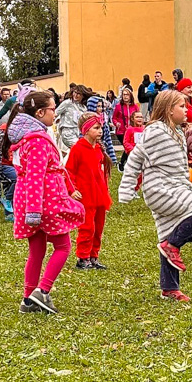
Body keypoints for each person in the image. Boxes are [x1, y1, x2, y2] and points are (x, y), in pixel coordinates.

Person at [118, 91, 192, 302]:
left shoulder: (176, 131)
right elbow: (135, 158)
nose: (186, 110)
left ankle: (169, 287)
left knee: (167, 232)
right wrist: (127, 188)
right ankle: (173, 245)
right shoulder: (156, 132)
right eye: (182, 107)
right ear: (169, 110)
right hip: (161, 188)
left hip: (175, 185)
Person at [5, 87, 84, 314]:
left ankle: (28, 299)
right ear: (39, 113)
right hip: (43, 203)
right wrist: (34, 211)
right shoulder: (38, 141)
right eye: (52, 109)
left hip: (32, 201)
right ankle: (42, 291)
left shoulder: (25, 138)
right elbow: (36, 177)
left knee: (37, 250)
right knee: (63, 246)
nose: (55, 114)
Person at [66, 112, 113, 270]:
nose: (100, 131)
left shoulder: (98, 148)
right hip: (85, 195)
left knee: (98, 227)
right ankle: (83, 257)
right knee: (87, 227)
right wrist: (72, 190)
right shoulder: (77, 149)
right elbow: (68, 172)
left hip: (99, 194)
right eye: (96, 128)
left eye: (101, 128)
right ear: (85, 130)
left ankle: (94, 256)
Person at [55, 84, 88, 157]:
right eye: (75, 92)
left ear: (83, 95)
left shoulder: (83, 107)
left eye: (78, 94)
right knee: (80, 150)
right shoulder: (67, 103)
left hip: (78, 133)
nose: (75, 95)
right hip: (67, 132)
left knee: (77, 153)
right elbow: (55, 113)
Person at [86, 96, 117, 164]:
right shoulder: (85, 122)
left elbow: (108, 140)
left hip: (101, 151)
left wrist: (112, 157)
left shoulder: (103, 122)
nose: (100, 109)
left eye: (101, 106)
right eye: (98, 106)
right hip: (89, 151)